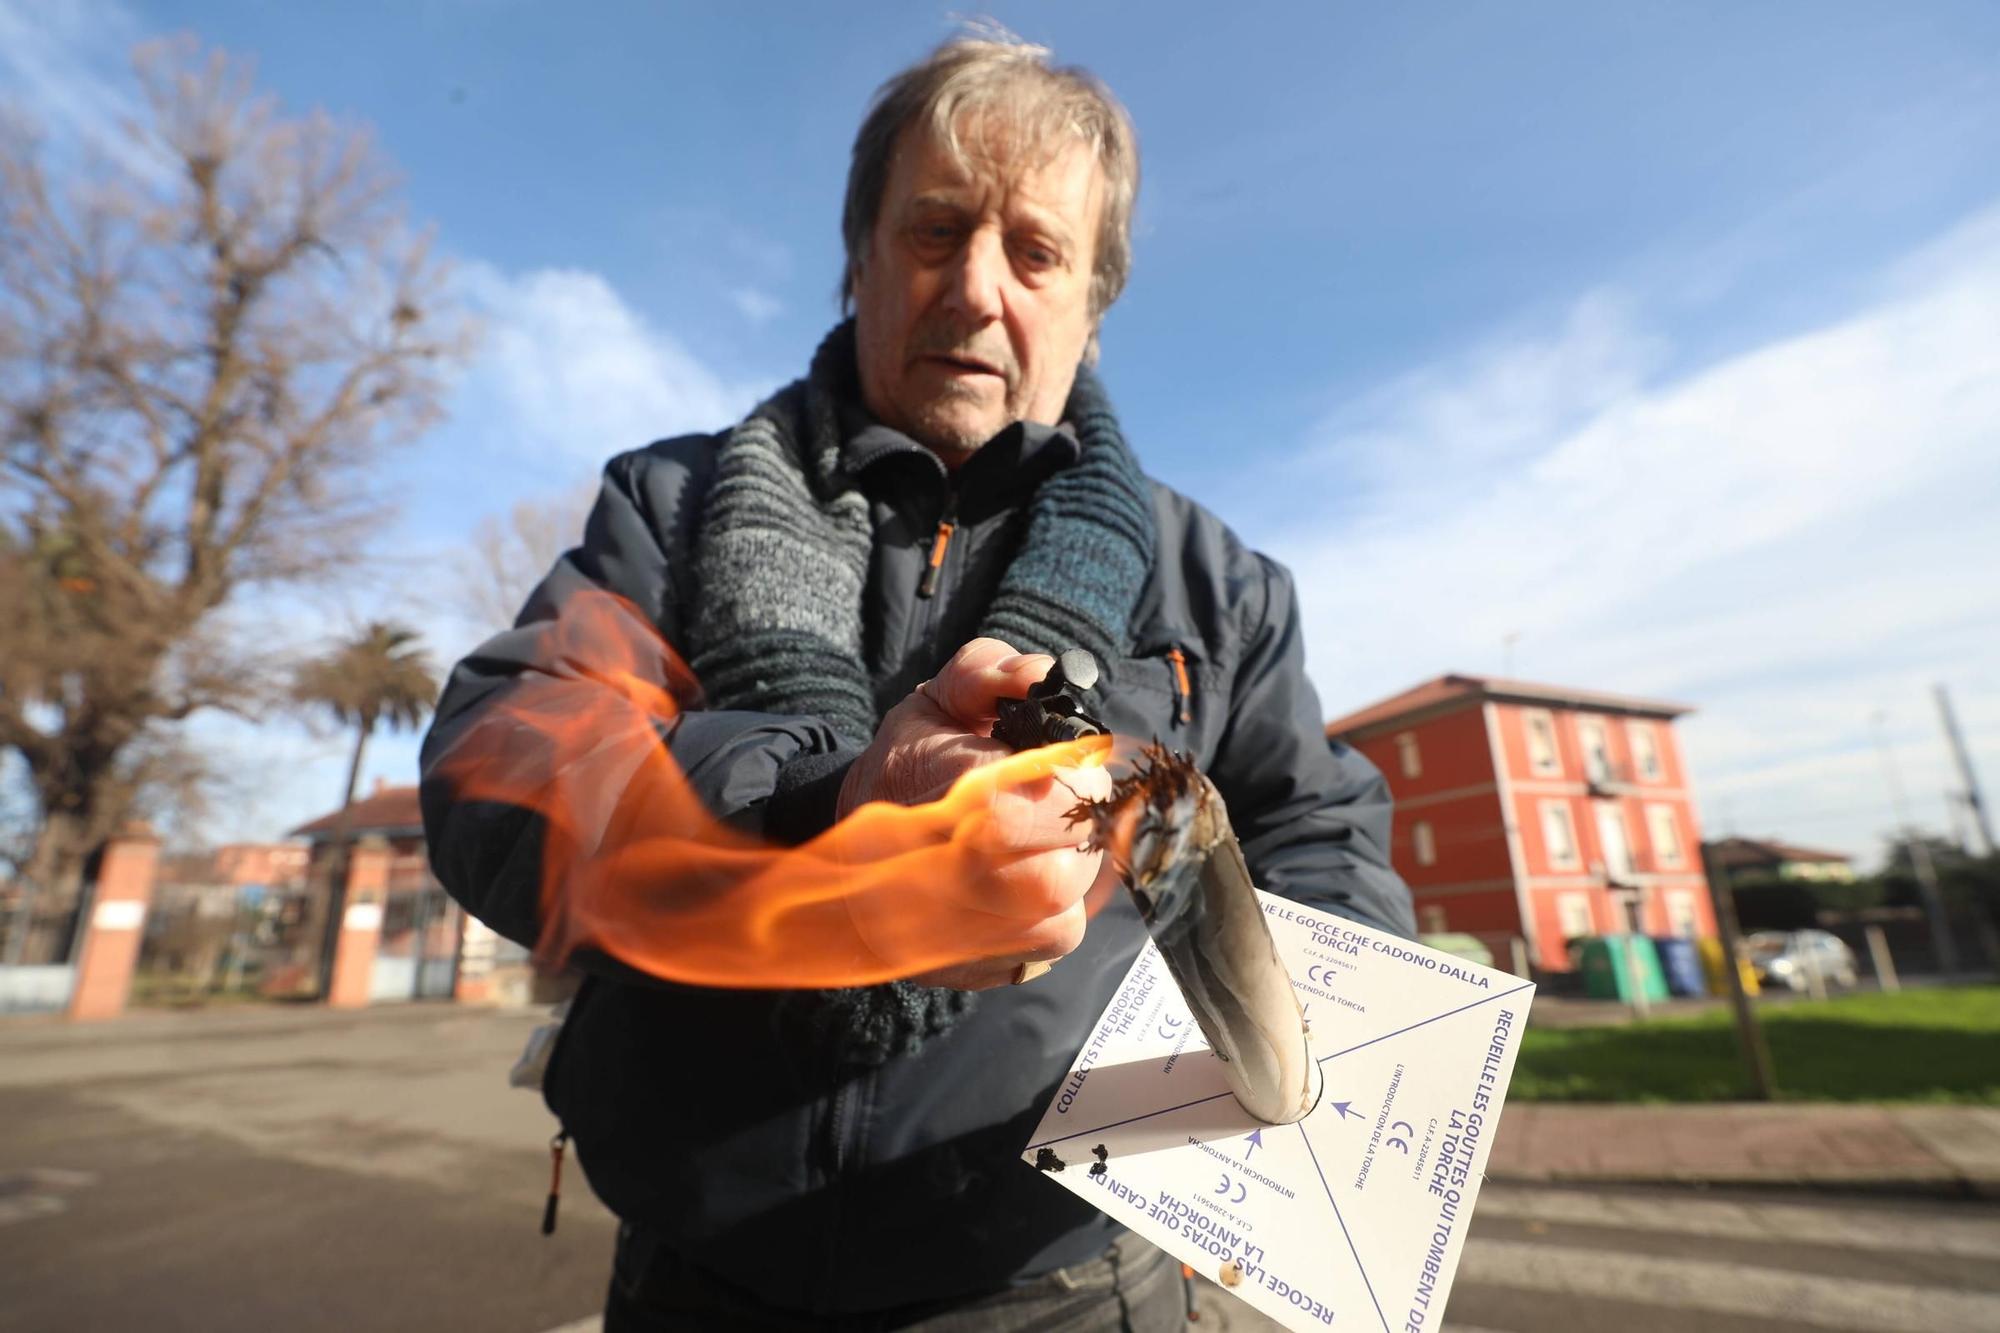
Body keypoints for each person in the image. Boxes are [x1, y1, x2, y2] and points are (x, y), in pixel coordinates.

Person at [420, 32, 1415, 1332]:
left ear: (1091, 310)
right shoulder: (667, 508)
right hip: (695, 1287)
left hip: (1074, 1290)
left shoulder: (1220, 585)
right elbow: (502, 759)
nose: (976, 287)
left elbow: (1319, 833)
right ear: (861, 259)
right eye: (935, 231)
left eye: (1035, 251)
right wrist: (821, 816)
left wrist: (1334, 1041)